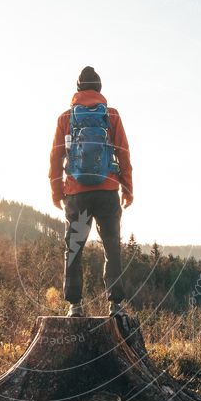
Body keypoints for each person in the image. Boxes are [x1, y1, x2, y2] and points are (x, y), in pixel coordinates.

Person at [49, 66, 133, 317]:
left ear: (78, 89)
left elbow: (55, 157)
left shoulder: (66, 118)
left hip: (77, 193)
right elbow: (123, 153)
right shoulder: (112, 115)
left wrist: (57, 193)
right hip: (107, 191)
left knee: (74, 248)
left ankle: (75, 305)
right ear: (99, 89)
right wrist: (127, 187)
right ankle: (115, 305)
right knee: (112, 247)